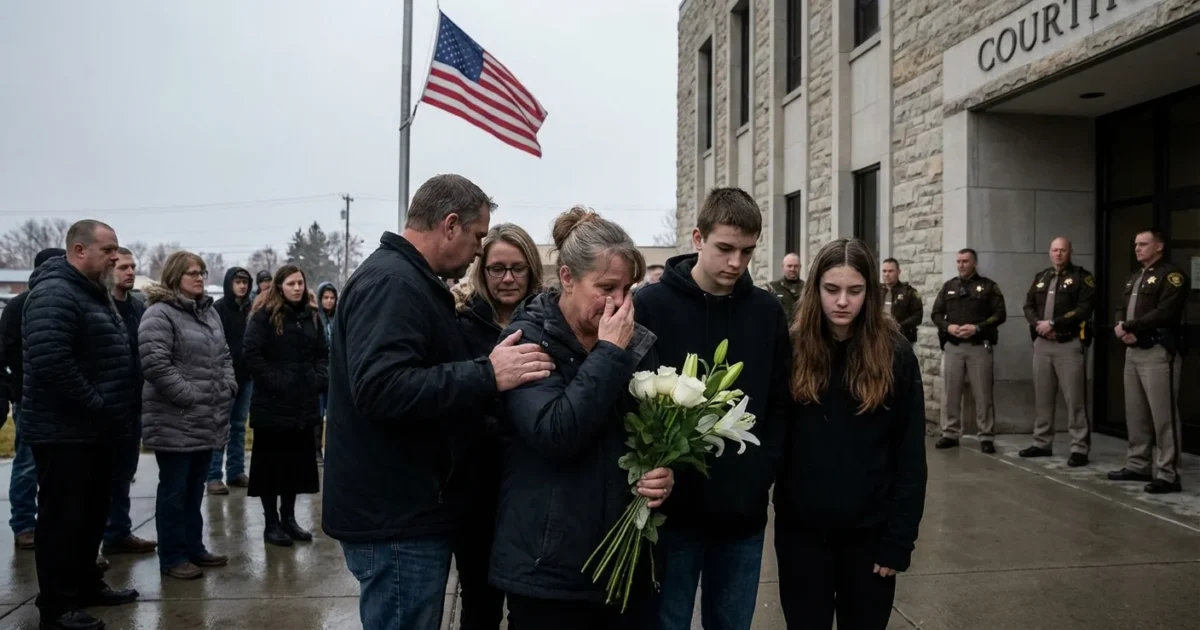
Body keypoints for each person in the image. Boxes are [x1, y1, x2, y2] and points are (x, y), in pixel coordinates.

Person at [323, 174, 554, 630]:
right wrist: (489, 373)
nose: (476, 251)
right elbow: (381, 388)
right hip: (395, 519)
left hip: (405, 509)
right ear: (450, 224)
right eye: (477, 237)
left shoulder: (407, 279)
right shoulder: (394, 283)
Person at [490, 207, 674, 629]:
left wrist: (663, 472)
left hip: (624, 567)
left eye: (629, 289)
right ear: (568, 278)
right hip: (549, 572)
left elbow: (652, 435)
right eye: (606, 287)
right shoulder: (526, 340)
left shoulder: (637, 341)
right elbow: (557, 433)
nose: (621, 303)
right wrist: (609, 353)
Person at [633, 187, 790, 630]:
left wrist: (764, 468)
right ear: (698, 237)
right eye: (725, 248)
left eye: (747, 251)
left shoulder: (766, 312)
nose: (736, 263)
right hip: (671, 514)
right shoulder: (650, 306)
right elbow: (627, 396)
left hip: (741, 514)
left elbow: (779, 401)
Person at [775, 238, 928, 630]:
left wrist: (899, 541)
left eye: (855, 291)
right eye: (832, 289)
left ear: (870, 293)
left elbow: (910, 455)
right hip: (803, 536)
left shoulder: (895, 354)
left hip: (871, 537)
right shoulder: (790, 350)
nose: (842, 301)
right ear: (815, 290)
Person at [21, 220, 139, 630]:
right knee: (62, 520)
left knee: (90, 516)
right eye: (108, 249)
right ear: (78, 250)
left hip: (95, 430)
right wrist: (98, 403)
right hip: (64, 432)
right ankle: (56, 605)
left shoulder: (92, 292)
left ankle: (86, 586)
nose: (115, 256)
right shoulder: (55, 293)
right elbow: (51, 361)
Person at [450, 223, 542, 630]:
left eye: (517, 268)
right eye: (497, 268)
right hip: (476, 488)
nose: (507, 278)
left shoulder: (548, 321)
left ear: (532, 270)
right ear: (481, 270)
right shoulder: (460, 321)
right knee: (480, 605)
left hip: (533, 486)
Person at [140, 252, 236, 580]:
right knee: (174, 491)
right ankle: (172, 556)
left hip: (205, 417)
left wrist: (228, 385)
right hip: (175, 419)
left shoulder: (207, 313)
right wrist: (189, 396)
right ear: (174, 276)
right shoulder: (159, 313)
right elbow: (155, 363)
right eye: (192, 273)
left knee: (194, 490)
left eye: (202, 272)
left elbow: (223, 354)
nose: (199, 277)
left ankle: (194, 547)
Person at [244, 265, 328, 546]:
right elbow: (252, 355)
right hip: (272, 405)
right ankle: (271, 524)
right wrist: (277, 381)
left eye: (300, 283)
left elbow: (322, 354)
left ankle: (289, 518)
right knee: (271, 468)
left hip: (302, 404)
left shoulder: (312, 317)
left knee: (294, 466)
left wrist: (317, 379)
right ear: (280, 286)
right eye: (291, 283)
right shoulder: (264, 316)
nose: (297, 288)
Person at [1108, 230, 1189, 494]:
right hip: (1133, 351)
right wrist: (1122, 326)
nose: (1137, 248)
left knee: (1163, 415)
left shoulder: (1171, 276)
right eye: (1135, 245)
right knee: (1136, 413)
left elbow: (1165, 312)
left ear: (1159, 246)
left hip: (1157, 350)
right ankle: (1138, 464)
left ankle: (1169, 473)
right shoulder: (1134, 277)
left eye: (1143, 244)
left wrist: (1130, 325)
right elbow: (1121, 305)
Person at [1, 246, 64, 551]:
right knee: (27, 463)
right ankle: (24, 523)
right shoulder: (18, 306)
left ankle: (54, 524)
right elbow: (8, 353)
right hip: (29, 397)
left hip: (63, 397)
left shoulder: (67, 302)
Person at [102, 248, 158, 556]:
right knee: (103, 476)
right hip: (107, 403)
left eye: (133, 266)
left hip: (133, 402)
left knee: (125, 470)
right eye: (124, 266)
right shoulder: (101, 305)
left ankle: (118, 532)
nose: (130, 271)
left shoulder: (138, 306)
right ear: (109, 270)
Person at [1019, 237, 1095, 467]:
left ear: (1070, 252)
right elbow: (1028, 306)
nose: (1058, 254)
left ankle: (1079, 447)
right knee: (1043, 396)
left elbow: (1085, 308)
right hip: (1042, 344)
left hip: (1068, 344)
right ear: (1049, 253)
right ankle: (1042, 442)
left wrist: (1054, 324)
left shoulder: (1083, 277)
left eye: (1063, 250)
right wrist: (1039, 325)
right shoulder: (1042, 277)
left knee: (1075, 399)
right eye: (1054, 250)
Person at [930, 248, 1006, 453]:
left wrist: (977, 327)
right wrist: (948, 327)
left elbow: (1000, 314)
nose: (961, 265)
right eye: (959, 261)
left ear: (974, 263)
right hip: (954, 347)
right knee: (951, 394)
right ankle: (950, 433)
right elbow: (936, 314)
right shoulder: (949, 287)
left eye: (965, 261)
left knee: (983, 394)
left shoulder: (989, 287)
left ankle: (986, 435)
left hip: (979, 347)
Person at [208, 267, 254, 494]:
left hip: (246, 377)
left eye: (245, 282)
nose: (242, 286)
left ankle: (236, 471)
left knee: (238, 427)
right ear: (229, 283)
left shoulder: (251, 309)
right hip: (224, 377)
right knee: (220, 426)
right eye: (238, 282)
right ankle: (214, 475)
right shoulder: (218, 309)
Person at [315, 281, 338, 464]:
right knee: (317, 415)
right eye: (326, 297)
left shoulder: (339, 319)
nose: (329, 301)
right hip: (319, 374)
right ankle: (316, 451)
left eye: (332, 298)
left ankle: (333, 448)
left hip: (335, 376)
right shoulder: (315, 318)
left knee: (333, 416)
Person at [881, 258, 923, 345]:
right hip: (880, 339)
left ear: (898, 272)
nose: (886, 274)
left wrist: (899, 325)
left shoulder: (910, 292)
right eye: (884, 271)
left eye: (890, 271)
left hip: (903, 339)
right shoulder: (876, 291)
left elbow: (918, 316)